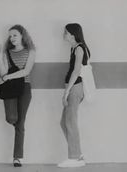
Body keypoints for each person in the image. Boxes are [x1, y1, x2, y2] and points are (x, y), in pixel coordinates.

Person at [0, 24, 36, 167]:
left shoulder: (30, 51)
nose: (12, 38)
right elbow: (3, 73)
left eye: (15, 35)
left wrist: (7, 78)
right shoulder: (8, 52)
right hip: (11, 89)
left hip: (24, 88)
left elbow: (26, 71)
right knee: (12, 118)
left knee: (20, 123)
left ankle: (17, 157)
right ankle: (17, 125)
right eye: (10, 35)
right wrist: (0, 56)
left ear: (22, 36)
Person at [58, 23, 90, 168]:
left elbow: (76, 71)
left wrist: (67, 91)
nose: (63, 35)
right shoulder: (74, 48)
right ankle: (78, 155)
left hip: (75, 88)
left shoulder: (79, 49)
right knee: (64, 122)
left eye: (65, 32)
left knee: (70, 122)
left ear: (72, 34)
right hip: (73, 87)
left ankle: (74, 157)